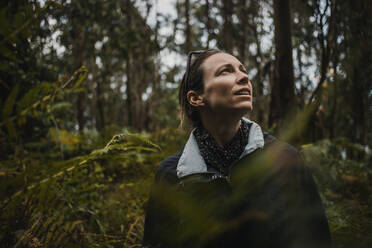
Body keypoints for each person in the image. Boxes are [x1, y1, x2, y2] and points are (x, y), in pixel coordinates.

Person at [143, 49, 332, 248]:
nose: (244, 77)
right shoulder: (170, 175)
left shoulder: (284, 158)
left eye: (243, 71)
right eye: (225, 71)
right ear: (196, 98)